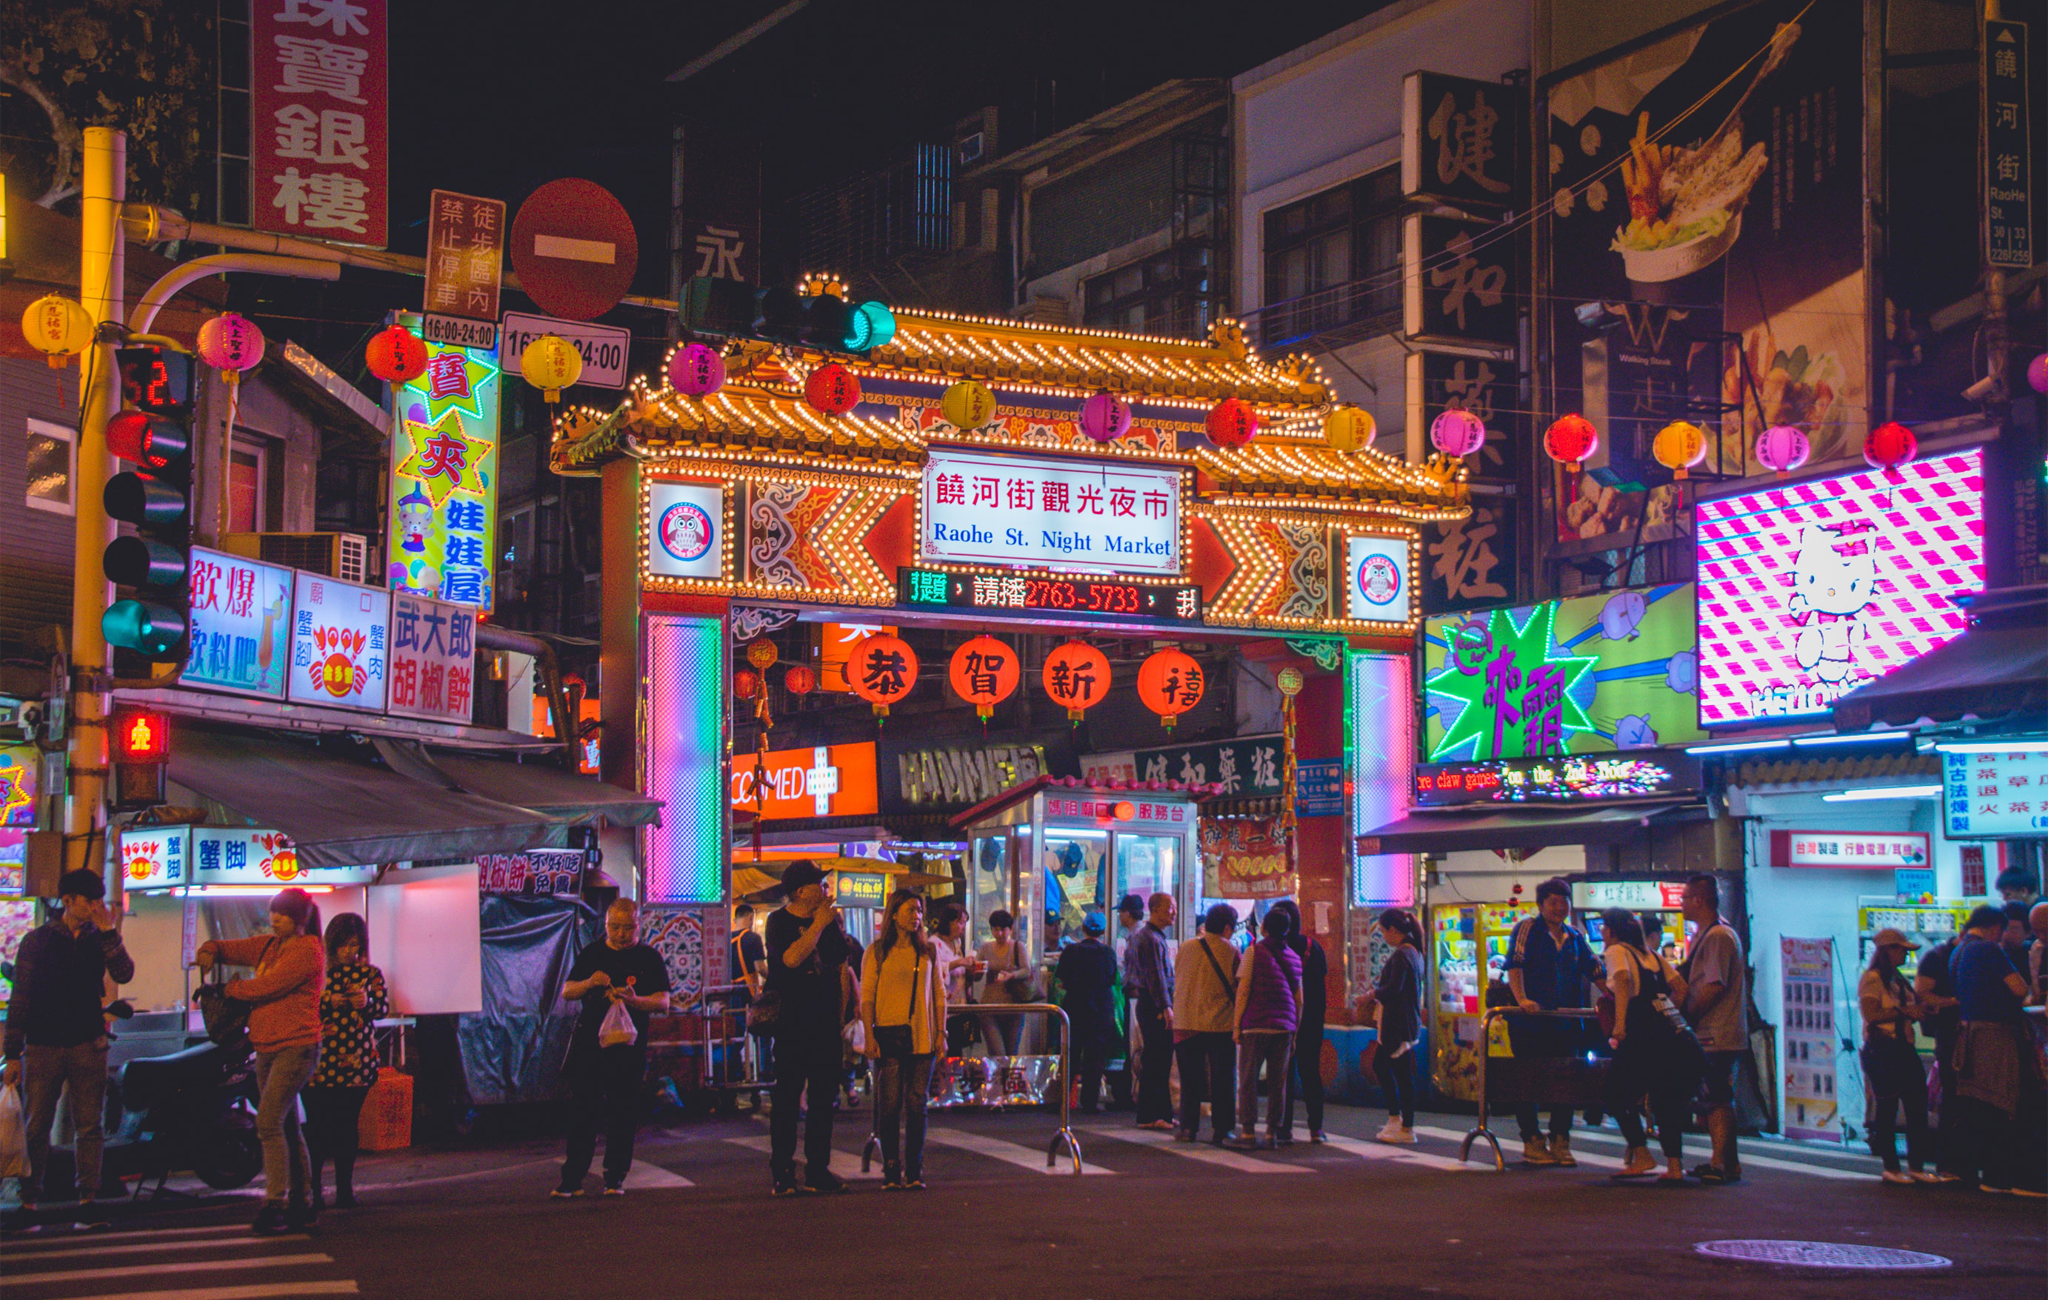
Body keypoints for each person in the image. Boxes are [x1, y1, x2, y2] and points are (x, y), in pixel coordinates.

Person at [2, 868, 134, 1226]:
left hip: (88, 1042)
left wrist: (109, 933)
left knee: (89, 1126)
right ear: (68, 901)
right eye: (88, 901)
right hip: (43, 1045)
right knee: (36, 1125)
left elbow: (123, 973)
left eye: (98, 901)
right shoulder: (37, 941)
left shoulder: (100, 937)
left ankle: (87, 1199)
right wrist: (12, 1054)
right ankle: (28, 1201)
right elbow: (21, 998)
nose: (94, 907)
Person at [197, 887, 327, 1234]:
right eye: (272, 913)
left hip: (296, 1047)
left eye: (282, 914)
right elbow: (231, 948)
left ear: (299, 919)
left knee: (267, 1121)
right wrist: (210, 949)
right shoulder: (270, 945)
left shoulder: (308, 950)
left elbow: (268, 987)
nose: (274, 919)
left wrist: (228, 990)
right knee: (286, 1125)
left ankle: (275, 1203)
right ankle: (303, 1202)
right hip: (266, 1046)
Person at [552, 899, 670, 1198]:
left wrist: (635, 1001)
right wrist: (591, 982)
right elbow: (567, 991)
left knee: (623, 1112)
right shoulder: (592, 953)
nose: (620, 934)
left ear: (638, 924)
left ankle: (615, 1177)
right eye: (614, 927)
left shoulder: (649, 958)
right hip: (591, 1047)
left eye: (627, 928)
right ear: (605, 925)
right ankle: (572, 1179)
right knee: (583, 1111)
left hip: (629, 1048)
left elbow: (663, 1002)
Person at [764, 861, 853, 1196]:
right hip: (791, 1023)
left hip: (825, 1023)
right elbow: (790, 959)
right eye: (819, 884)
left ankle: (818, 1169)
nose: (825, 889)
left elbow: (842, 968)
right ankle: (782, 1171)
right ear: (801, 891)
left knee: (823, 1099)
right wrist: (818, 924)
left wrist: (842, 1016)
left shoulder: (830, 922)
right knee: (787, 1098)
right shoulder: (778, 921)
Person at [1502, 878, 1602, 1167]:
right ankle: (1532, 1140)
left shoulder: (1574, 936)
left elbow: (1595, 968)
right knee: (1529, 1080)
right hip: (1530, 1023)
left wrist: (1615, 995)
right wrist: (1522, 999)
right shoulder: (1527, 928)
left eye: (1564, 901)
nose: (1560, 907)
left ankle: (1560, 1140)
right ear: (1541, 905)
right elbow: (1515, 963)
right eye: (1553, 902)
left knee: (1566, 1079)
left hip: (1565, 1022)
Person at [1949, 903, 2044, 1196]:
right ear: (1995, 928)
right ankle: (2003, 1175)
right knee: (2004, 1102)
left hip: (1968, 1034)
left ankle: (1987, 1173)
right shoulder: (1988, 949)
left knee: (1981, 1104)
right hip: (1995, 1035)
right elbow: (2018, 989)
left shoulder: (1959, 951)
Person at [1600, 908, 1698, 1182]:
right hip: (1665, 1035)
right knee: (1664, 1096)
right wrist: (1664, 1012)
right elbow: (1681, 987)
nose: (1602, 932)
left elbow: (1622, 981)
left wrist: (1620, 1025)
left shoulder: (1616, 951)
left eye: (1604, 927)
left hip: (1638, 1032)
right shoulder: (1650, 954)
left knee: (1615, 1095)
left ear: (1611, 930)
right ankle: (1675, 1166)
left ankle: (1642, 1155)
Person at [860, 889, 945, 1190]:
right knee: (890, 1104)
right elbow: (867, 997)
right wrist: (870, 1036)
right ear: (893, 913)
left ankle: (915, 1170)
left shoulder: (928, 951)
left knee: (917, 1103)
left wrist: (941, 1033)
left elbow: (939, 995)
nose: (916, 916)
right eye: (910, 909)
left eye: (919, 910)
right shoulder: (877, 952)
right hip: (890, 1035)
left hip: (923, 1037)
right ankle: (892, 1169)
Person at [303, 912, 388, 1210]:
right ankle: (312, 1188)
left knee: (346, 1126)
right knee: (317, 1126)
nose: (349, 951)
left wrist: (367, 1003)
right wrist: (328, 1002)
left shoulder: (370, 974)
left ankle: (344, 1188)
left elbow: (382, 1008)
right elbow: (301, 1005)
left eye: (354, 945)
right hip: (318, 1061)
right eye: (342, 945)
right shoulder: (317, 973)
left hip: (357, 1063)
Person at [1678, 873, 1747, 1183]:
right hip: (1717, 1030)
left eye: (1684, 898)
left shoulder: (1718, 936)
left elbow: (1714, 985)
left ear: (1698, 900)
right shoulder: (1710, 934)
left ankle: (1720, 1162)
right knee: (1717, 1096)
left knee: (1718, 1098)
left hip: (1717, 1031)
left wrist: (1689, 1015)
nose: (1681, 904)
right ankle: (1727, 1162)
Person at [1859, 928, 1933, 1184]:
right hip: (1883, 1049)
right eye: (1901, 949)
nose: (1905, 955)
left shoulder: (1898, 978)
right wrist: (1905, 1012)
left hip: (1904, 1047)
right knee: (1888, 1107)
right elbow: (1872, 1014)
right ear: (1887, 950)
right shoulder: (1873, 978)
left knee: (1917, 1106)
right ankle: (1891, 1167)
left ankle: (1916, 1166)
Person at [1231, 907, 1303, 1150]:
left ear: (1263, 928)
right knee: (1277, 1083)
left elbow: (1243, 990)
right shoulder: (1294, 957)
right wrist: (1295, 1031)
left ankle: (1249, 1132)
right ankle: (1272, 1132)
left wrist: (1236, 1025)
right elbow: (1299, 999)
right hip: (1284, 1027)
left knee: (1248, 1080)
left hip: (1256, 1025)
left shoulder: (1253, 952)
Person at [1173, 903, 1240, 1144]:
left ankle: (1188, 1128)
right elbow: (1239, 987)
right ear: (1226, 928)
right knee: (1222, 1078)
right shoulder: (1231, 951)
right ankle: (1223, 1129)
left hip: (1185, 1021)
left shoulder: (1185, 947)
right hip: (1219, 1023)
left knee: (1190, 1079)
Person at [1359, 908, 1424, 1144]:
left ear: (1393, 930)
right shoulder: (1414, 952)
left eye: (1384, 931)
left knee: (1392, 1070)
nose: (1383, 936)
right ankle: (1400, 1123)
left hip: (1397, 1024)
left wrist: (1371, 995)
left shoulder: (1401, 955)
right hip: (1406, 1023)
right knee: (1399, 1072)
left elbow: (1394, 989)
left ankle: (1402, 1124)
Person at [1268, 898, 1328, 1144]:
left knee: (1283, 1075)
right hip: (1311, 1020)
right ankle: (1316, 1128)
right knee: (1311, 1073)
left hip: (1281, 1018)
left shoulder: (1270, 948)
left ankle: (1284, 1128)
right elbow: (1322, 979)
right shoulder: (1313, 947)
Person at [1914, 924, 1967, 1180]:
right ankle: (1948, 1162)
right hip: (1949, 1036)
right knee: (1954, 1095)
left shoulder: (1944, 955)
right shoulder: (1938, 956)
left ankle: (1956, 1163)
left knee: (1957, 1097)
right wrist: (1954, 1002)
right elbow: (1922, 993)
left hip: (1954, 1036)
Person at [1123, 891, 1177, 1130]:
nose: (1173, 912)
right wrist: (1166, 1007)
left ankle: (1161, 1113)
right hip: (1153, 1004)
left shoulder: (1149, 936)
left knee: (1159, 1059)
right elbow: (1155, 977)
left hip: (1150, 1002)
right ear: (1154, 910)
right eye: (1169, 907)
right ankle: (1150, 1115)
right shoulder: (1150, 939)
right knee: (1157, 1059)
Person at [1055, 910, 1118, 1114]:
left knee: (1070, 1054)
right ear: (1102, 931)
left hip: (1074, 1008)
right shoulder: (1108, 953)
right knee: (1095, 1057)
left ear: (1083, 928)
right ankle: (1089, 1102)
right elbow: (1111, 979)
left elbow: (1061, 979)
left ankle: (1063, 1099)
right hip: (1100, 1010)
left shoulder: (1071, 951)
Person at [1106, 894, 1146, 1110]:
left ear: (1129, 914)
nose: (1119, 916)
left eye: (1121, 912)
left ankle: (1136, 1096)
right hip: (1134, 996)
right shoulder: (1134, 935)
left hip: (1137, 998)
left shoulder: (1139, 936)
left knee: (1137, 1047)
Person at [975, 910, 1030, 1057]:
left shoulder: (1018, 947)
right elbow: (977, 976)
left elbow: (1026, 970)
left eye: (1003, 929)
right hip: (989, 1007)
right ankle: (998, 1079)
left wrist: (1012, 975)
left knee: (1011, 1053)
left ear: (1010, 929)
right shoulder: (986, 948)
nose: (999, 934)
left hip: (1014, 1007)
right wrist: (976, 970)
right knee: (997, 1053)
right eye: (995, 929)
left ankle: (1008, 1079)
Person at [729, 903, 772, 1083]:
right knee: (762, 1035)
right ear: (750, 918)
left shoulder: (726, 939)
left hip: (730, 994)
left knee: (734, 1038)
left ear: (735, 919)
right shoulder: (753, 938)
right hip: (749, 993)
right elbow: (760, 968)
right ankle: (765, 1075)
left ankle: (733, 1075)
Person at [930, 904, 979, 1056]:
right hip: (943, 1008)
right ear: (948, 922)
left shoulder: (957, 943)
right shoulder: (933, 943)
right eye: (960, 922)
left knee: (957, 1053)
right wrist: (959, 962)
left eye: (964, 923)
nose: (963, 927)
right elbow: (933, 971)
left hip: (960, 1006)